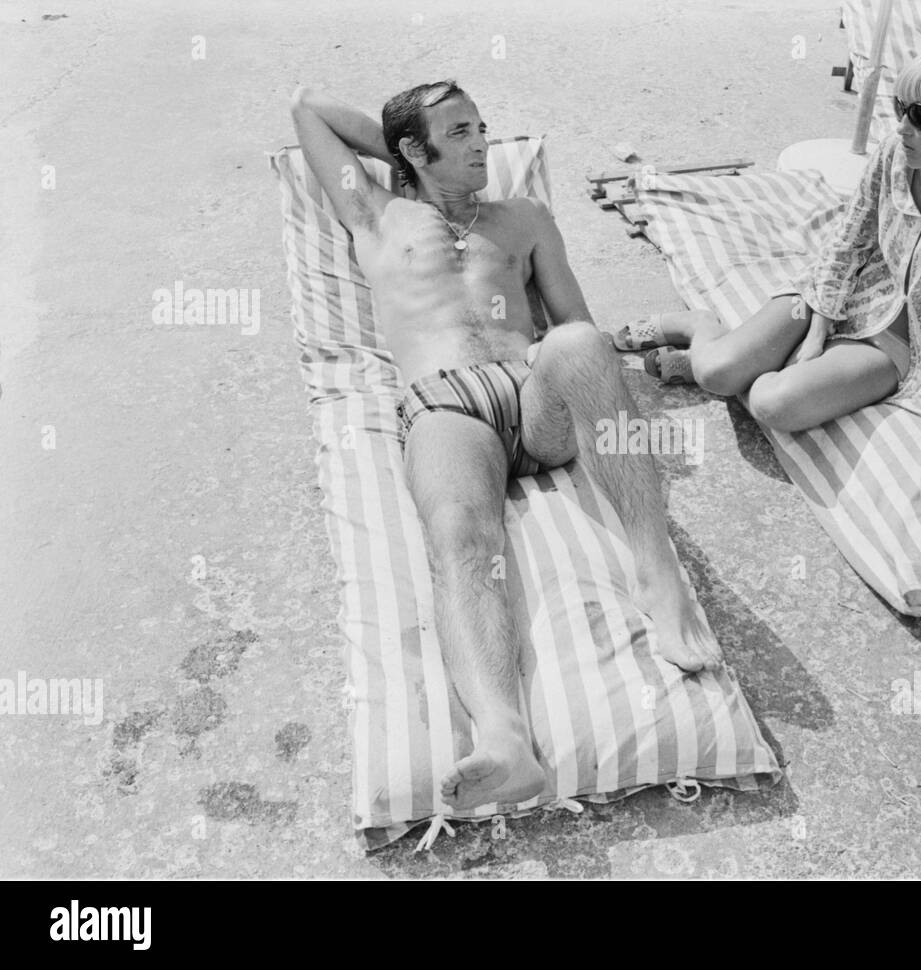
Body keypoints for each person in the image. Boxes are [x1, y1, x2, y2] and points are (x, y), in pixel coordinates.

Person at [290, 81, 721, 811]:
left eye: (482, 127)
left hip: (532, 396)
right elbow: (309, 109)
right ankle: (503, 738)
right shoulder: (376, 214)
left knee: (582, 342)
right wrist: (403, 165)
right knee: (460, 531)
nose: (484, 142)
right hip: (447, 406)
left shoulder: (524, 218)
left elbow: (575, 324)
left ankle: (659, 578)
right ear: (412, 151)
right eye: (459, 133)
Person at [615, 40, 921, 430]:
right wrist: (818, 327)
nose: (902, 127)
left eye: (920, 117)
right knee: (718, 375)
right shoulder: (894, 154)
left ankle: (766, 367)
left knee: (774, 404)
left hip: (899, 341)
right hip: (845, 292)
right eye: (901, 108)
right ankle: (699, 324)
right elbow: (848, 238)